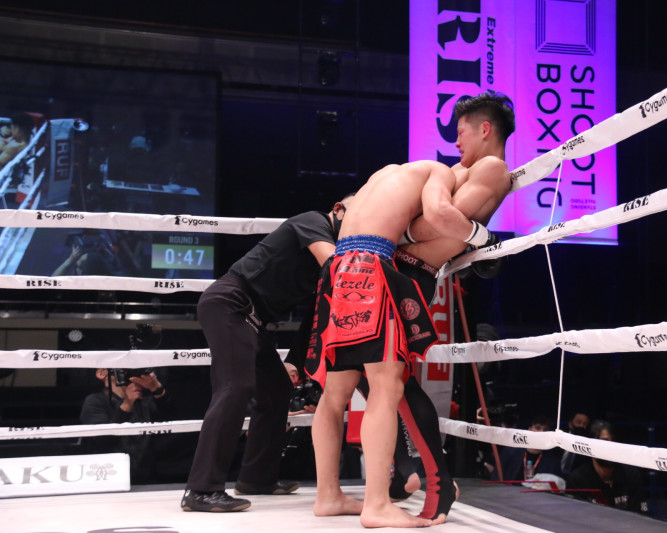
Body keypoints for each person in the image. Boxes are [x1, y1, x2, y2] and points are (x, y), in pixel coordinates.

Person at [306, 158, 506, 527]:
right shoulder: (437, 172)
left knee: (334, 395)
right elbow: (441, 213)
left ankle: (328, 496)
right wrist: (485, 238)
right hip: (371, 267)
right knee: (387, 387)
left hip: (336, 268)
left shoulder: (382, 175)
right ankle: (377, 505)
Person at [381, 90, 517, 520]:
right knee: (372, 372)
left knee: (385, 374)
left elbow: (438, 221)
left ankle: (428, 473)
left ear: (485, 129)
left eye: (461, 132)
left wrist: (403, 229)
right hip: (401, 268)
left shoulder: (491, 167)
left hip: (411, 271)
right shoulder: (463, 169)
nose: (455, 141)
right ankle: (410, 467)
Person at [180, 194, 352, 512]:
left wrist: (294, 361)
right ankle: (201, 490)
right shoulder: (313, 221)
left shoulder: (333, 255)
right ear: (338, 209)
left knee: (276, 389)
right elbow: (336, 266)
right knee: (235, 386)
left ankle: (256, 478)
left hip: (254, 319)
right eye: (359, 212)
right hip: (230, 302)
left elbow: (315, 317)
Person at [80, 368, 169, 484]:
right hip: (108, 477)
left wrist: (156, 389)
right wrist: (127, 405)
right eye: (118, 364)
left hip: (148, 478)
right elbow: (102, 442)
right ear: (101, 373)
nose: (124, 368)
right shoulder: (95, 401)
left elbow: (173, 424)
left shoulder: (145, 400)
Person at [565, 420, 648, 514]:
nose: (610, 447)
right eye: (604, 442)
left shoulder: (631, 475)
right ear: (590, 446)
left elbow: (641, 515)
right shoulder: (577, 480)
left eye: (613, 442)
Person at [490, 416, 564, 487]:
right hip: (507, 493)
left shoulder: (553, 461)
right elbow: (496, 478)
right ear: (529, 429)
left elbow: (557, 487)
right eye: (538, 428)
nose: (541, 432)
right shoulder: (511, 452)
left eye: (545, 430)